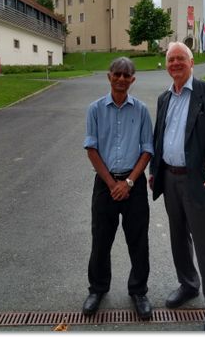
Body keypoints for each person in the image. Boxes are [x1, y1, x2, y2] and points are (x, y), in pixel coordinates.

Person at [149, 42, 205, 331]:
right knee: (178, 237)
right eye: (170, 59)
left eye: (180, 59)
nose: (174, 63)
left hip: (199, 179)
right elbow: (159, 137)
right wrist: (154, 171)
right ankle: (188, 284)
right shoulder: (164, 99)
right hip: (170, 178)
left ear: (191, 62)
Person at [83, 57, 154, 319]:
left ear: (133, 80)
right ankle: (97, 289)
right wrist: (113, 184)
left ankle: (138, 291)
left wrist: (129, 182)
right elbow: (91, 148)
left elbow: (147, 149)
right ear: (109, 76)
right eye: (117, 74)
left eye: (127, 75)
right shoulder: (95, 109)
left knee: (138, 241)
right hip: (105, 185)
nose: (122, 79)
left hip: (133, 186)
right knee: (101, 240)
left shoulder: (142, 111)